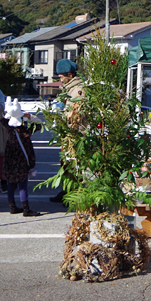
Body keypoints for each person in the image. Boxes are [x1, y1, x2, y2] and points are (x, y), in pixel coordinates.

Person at [50, 59, 83, 203]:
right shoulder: (69, 88)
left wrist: (67, 119)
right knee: (65, 163)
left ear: (70, 75)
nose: (61, 80)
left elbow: (78, 112)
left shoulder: (78, 89)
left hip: (76, 132)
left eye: (62, 77)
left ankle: (73, 195)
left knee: (74, 165)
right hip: (68, 132)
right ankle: (66, 191)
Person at [3, 111, 41, 217]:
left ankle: (12, 206)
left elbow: (3, 119)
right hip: (22, 162)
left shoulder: (9, 129)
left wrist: (11, 114)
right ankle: (26, 209)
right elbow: (39, 124)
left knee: (10, 183)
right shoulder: (25, 132)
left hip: (9, 161)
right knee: (22, 185)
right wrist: (30, 116)